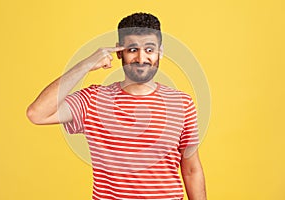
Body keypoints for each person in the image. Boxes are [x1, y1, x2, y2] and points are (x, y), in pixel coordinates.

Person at [27, 12, 207, 200]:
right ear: (119, 51)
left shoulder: (182, 103)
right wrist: (86, 64)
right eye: (132, 50)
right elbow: (37, 114)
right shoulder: (93, 100)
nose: (141, 58)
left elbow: (192, 170)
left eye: (149, 49)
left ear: (160, 51)